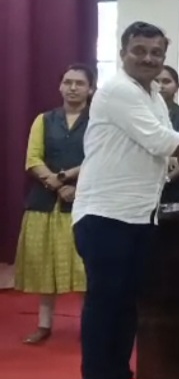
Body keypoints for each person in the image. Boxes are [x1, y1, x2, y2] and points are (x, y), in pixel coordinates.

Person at [73, 21, 179, 379]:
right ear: (123, 53)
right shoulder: (118, 90)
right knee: (105, 307)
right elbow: (161, 141)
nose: (148, 59)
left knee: (126, 306)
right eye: (139, 50)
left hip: (140, 216)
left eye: (156, 53)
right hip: (105, 216)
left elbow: (167, 145)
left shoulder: (152, 94)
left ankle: (118, 373)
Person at [14, 64, 95, 344]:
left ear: (91, 89)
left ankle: (89, 326)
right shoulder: (44, 120)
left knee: (84, 269)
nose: (73, 88)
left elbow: (99, 159)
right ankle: (44, 324)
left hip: (84, 203)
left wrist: (71, 182)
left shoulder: (98, 122)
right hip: (44, 203)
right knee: (44, 267)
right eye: (67, 82)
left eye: (79, 83)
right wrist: (57, 184)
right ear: (60, 86)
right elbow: (32, 158)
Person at [156, 65, 179, 205]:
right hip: (145, 186)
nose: (160, 86)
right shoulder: (141, 115)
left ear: (177, 87)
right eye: (156, 81)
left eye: (166, 81)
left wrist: (167, 179)